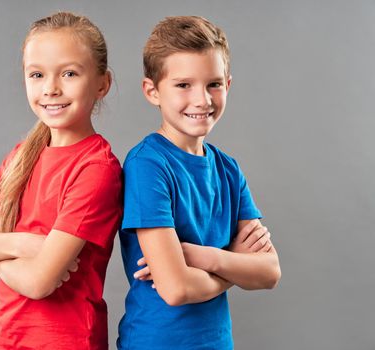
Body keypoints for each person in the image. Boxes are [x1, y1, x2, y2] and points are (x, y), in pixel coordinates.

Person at [0, 12, 122, 350]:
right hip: (6, 337)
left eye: (69, 73)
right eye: (37, 75)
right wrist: (22, 245)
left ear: (102, 84)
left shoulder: (97, 169)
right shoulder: (22, 155)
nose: (51, 88)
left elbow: (40, 281)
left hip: (65, 342)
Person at [117, 16, 281, 350]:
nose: (202, 99)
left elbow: (268, 271)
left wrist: (196, 256)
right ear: (152, 91)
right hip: (155, 343)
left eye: (213, 84)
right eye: (183, 85)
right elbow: (176, 289)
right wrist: (235, 262)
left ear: (228, 85)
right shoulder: (147, 165)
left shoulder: (228, 169)